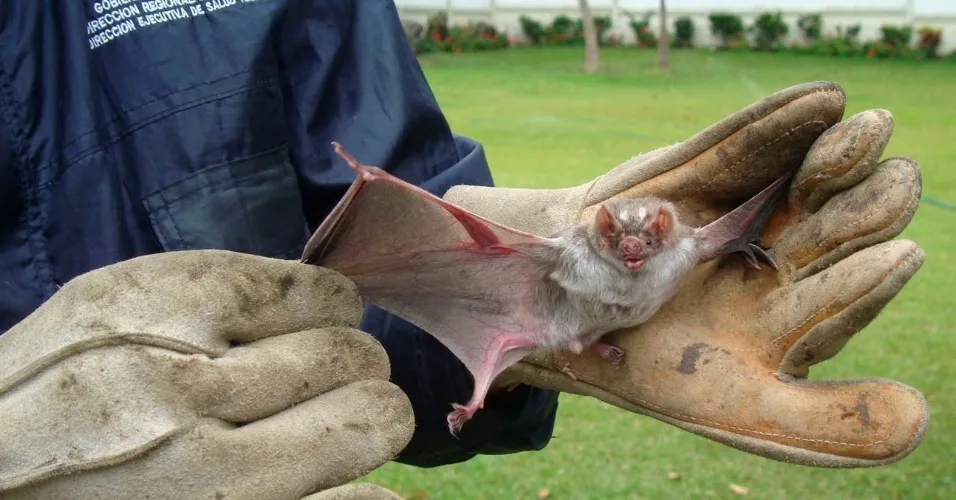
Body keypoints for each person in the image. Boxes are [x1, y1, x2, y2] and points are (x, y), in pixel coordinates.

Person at [0, 1, 931, 499]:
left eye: (646, 231)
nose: (641, 236)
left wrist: (521, 347)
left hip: (522, 303)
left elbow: (382, 249)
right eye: (627, 229)